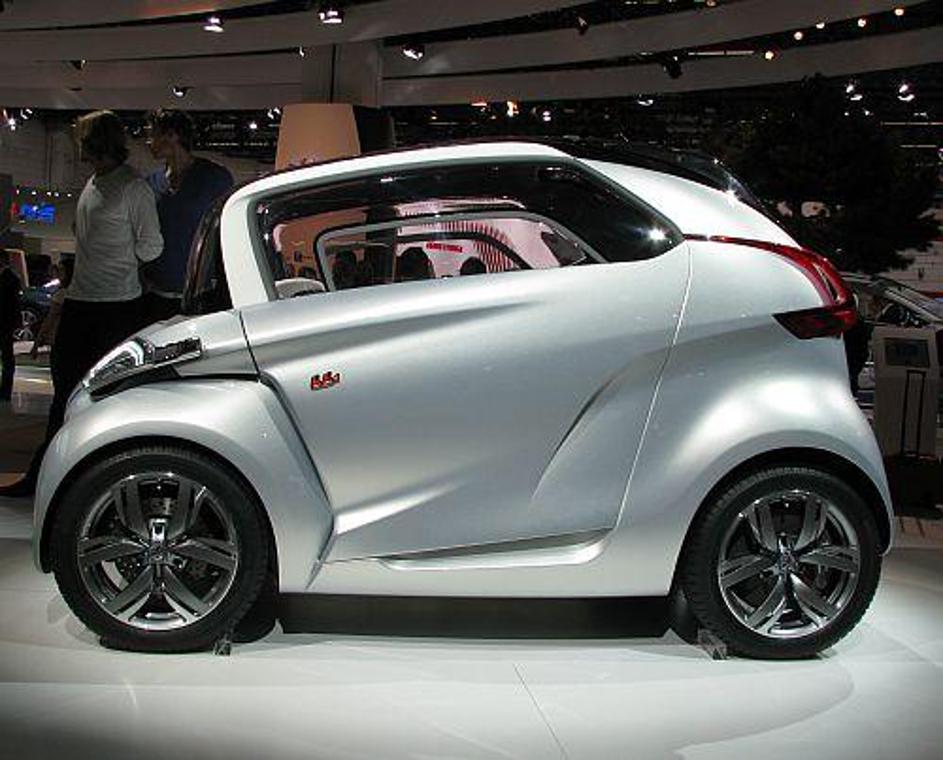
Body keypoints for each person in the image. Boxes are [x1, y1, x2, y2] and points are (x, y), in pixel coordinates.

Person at [0, 110, 162, 497]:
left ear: (96, 141)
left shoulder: (132, 188)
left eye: (82, 138)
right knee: (65, 396)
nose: (76, 144)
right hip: (82, 301)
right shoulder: (93, 183)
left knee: (104, 399)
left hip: (116, 306)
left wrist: (119, 263)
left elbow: (152, 246)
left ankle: (96, 484)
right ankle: (45, 477)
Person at [144, 109, 233, 322]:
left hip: (201, 292)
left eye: (152, 134)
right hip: (156, 292)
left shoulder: (215, 178)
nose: (148, 142)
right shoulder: (151, 183)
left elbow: (227, 232)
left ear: (172, 135)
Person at [30, 256, 74, 359]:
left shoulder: (62, 294)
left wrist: (37, 341)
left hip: (58, 337)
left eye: (61, 270)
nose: (58, 273)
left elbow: (50, 318)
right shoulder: (75, 292)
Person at [0, 249, 20, 402]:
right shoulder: (12, 278)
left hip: (5, 322)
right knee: (7, 355)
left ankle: (5, 390)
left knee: (7, 356)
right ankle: (5, 390)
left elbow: (11, 304)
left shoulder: (10, 278)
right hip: (6, 323)